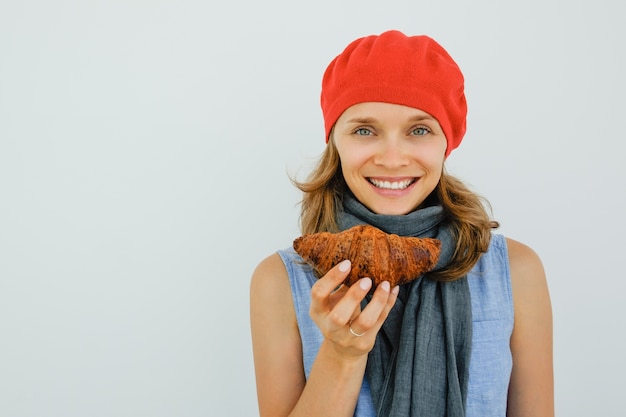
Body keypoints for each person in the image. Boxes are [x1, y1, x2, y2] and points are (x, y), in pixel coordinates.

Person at [250, 30, 553, 417]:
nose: (392, 159)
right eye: (364, 130)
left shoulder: (515, 271)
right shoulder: (281, 280)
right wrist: (343, 353)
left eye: (419, 130)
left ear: (448, 141)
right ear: (335, 140)